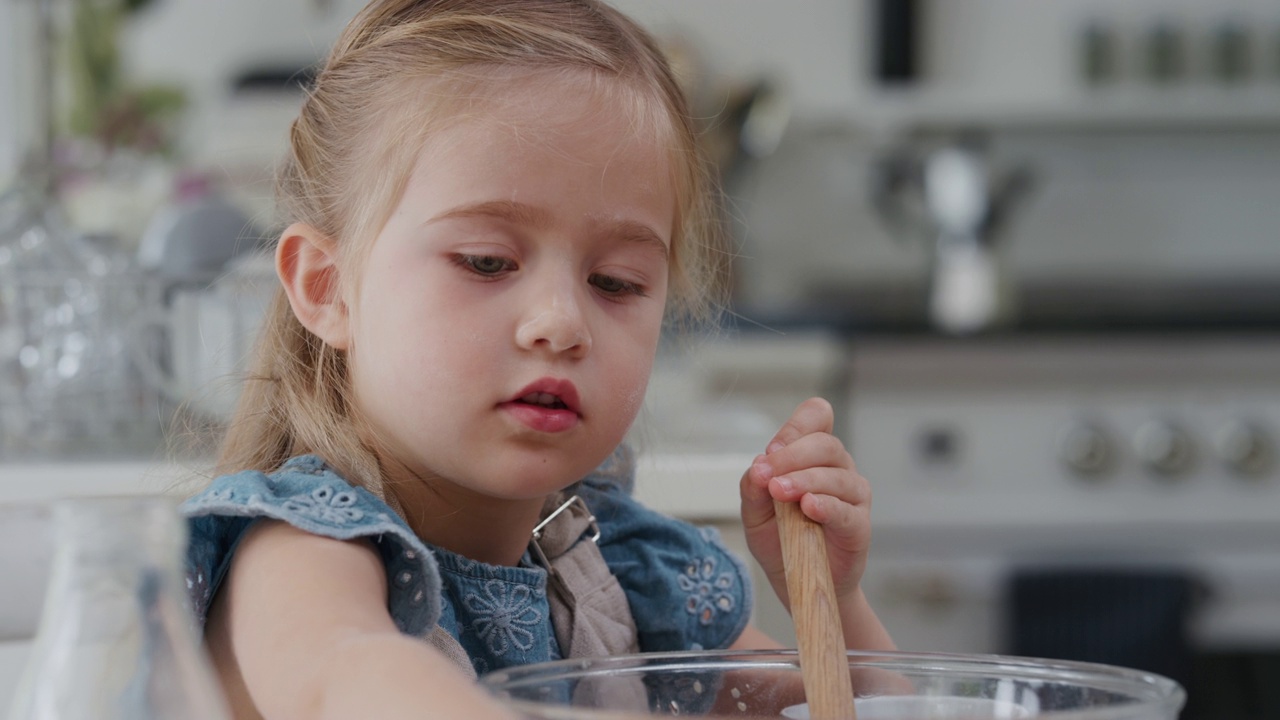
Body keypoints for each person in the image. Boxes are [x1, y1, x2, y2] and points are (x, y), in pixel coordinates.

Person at [181, 0, 895, 717]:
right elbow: (350, 681)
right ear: (327, 287)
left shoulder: (620, 571)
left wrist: (831, 601)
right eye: (487, 262)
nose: (560, 323)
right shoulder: (301, 551)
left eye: (616, 281)